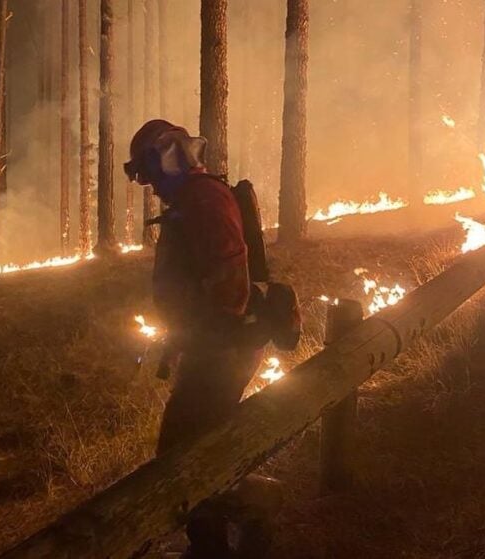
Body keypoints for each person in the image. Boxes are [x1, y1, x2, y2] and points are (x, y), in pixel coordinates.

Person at [125, 120, 281, 559]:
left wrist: (205, 342)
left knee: (181, 460)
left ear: (167, 159)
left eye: (149, 172)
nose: (150, 185)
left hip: (223, 349)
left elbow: (229, 284)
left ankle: (258, 503)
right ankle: (210, 546)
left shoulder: (205, 199)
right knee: (194, 450)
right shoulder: (192, 199)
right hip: (213, 347)